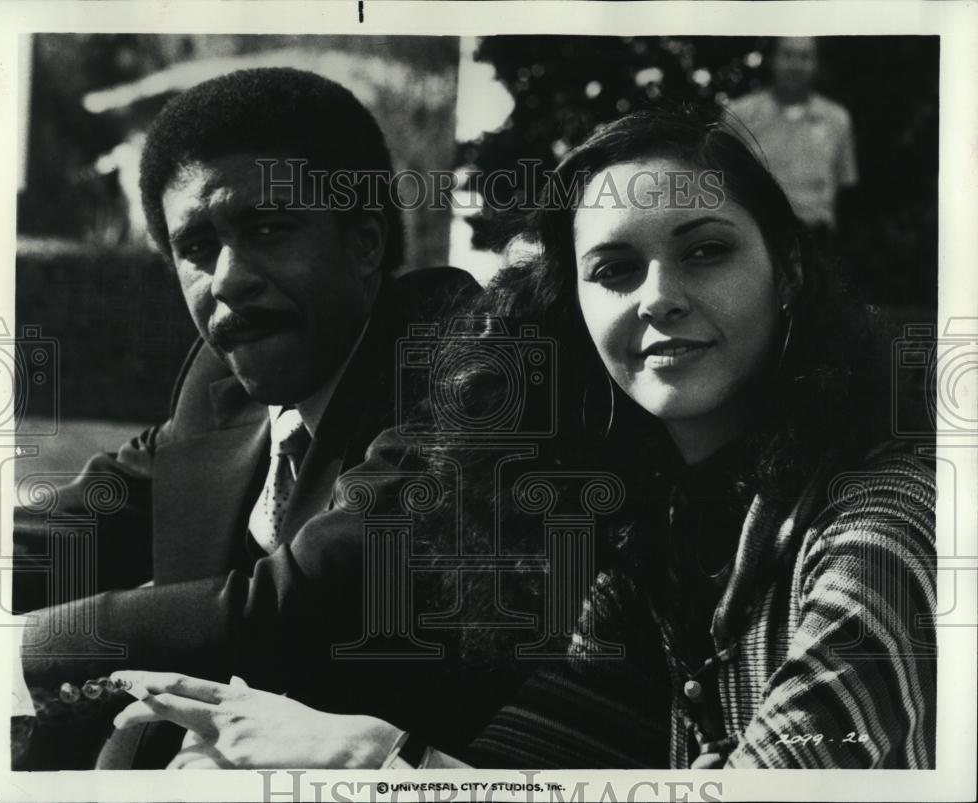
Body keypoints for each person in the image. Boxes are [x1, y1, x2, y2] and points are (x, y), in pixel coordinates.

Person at [105, 104, 935, 770]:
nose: (658, 297)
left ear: (787, 270)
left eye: (706, 251)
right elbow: (527, 764)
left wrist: (367, 756)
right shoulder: (655, 537)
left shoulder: (886, 526)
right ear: (574, 307)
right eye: (613, 270)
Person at [12, 67, 477, 768]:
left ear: (364, 244)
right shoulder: (219, 382)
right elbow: (90, 520)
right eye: (196, 247)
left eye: (269, 228)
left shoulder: (462, 363)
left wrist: (23, 646)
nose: (226, 278)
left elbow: (304, 599)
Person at [727, 37, 858, 240]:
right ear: (772, 60)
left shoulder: (836, 119)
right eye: (788, 55)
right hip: (759, 239)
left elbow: (846, 190)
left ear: (817, 64)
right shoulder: (739, 115)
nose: (796, 66)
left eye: (805, 57)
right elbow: (723, 184)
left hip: (818, 242)